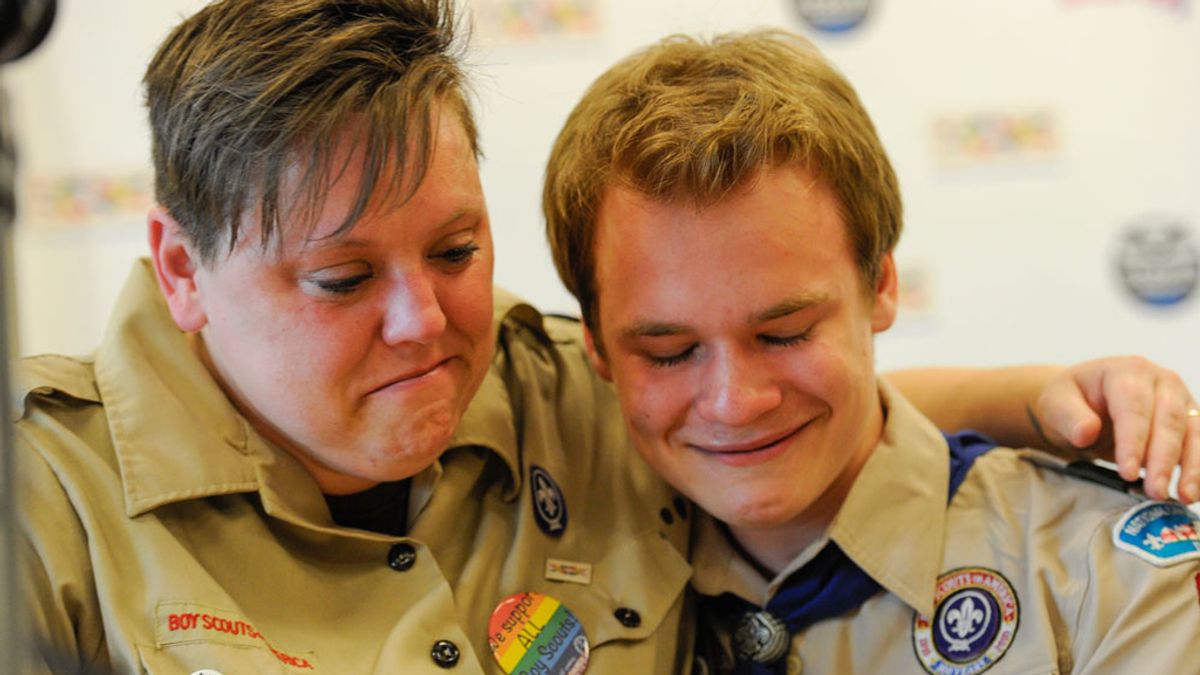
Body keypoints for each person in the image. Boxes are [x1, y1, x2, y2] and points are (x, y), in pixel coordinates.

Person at [12, 1, 1196, 673]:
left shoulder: (538, 383)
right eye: (340, 279)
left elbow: (779, 430)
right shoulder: (39, 493)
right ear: (181, 269)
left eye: (459, 253)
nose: (425, 322)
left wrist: (1041, 392)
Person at [543, 28, 1200, 674]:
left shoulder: (1109, 582)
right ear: (595, 344)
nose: (734, 402)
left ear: (881, 286)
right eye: (669, 350)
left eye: (785, 333)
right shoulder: (558, 570)